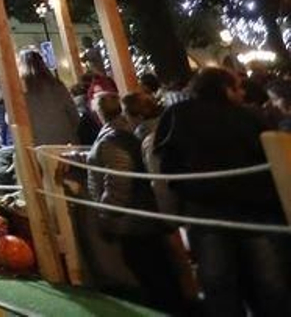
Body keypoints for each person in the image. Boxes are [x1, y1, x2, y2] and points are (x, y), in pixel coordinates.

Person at [153, 66, 289, 315]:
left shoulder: (177, 116)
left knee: (219, 285)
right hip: (252, 212)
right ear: (226, 89)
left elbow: (168, 165)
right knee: (268, 283)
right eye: (237, 88)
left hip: (205, 214)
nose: (241, 93)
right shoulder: (249, 117)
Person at [84, 91, 185, 312]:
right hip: (139, 217)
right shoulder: (120, 134)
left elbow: (119, 178)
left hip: (132, 221)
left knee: (152, 277)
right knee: (158, 274)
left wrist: (106, 211)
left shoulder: (114, 138)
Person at [20, 50, 79, 147]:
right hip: (64, 137)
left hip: (38, 142)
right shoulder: (56, 84)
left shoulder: (22, 90)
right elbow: (72, 112)